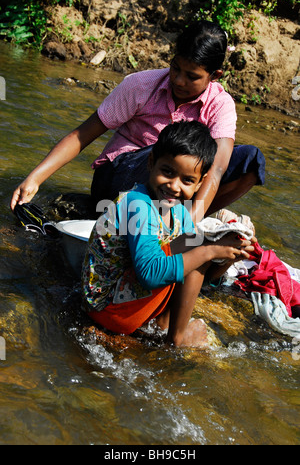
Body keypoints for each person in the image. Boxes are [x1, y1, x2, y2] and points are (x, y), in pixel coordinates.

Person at [10, 20, 265, 224]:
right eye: (175, 68)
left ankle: (182, 221)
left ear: (215, 75)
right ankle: (166, 220)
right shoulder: (141, 85)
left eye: (191, 76)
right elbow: (83, 134)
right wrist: (35, 178)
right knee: (170, 154)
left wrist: (187, 227)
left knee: (250, 160)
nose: (178, 80)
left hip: (172, 186)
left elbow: (217, 169)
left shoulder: (220, 105)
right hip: (119, 177)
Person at [82, 121, 255, 347]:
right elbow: (149, 274)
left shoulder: (180, 214)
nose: (174, 186)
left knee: (197, 247)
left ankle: (163, 325)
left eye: (187, 180)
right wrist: (210, 250)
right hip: (106, 309)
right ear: (151, 162)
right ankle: (175, 339)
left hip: (125, 304)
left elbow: (203, 281)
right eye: (167, 172)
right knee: (197, 249)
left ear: (200, 183)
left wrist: (229, 255)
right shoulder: (138, 205)